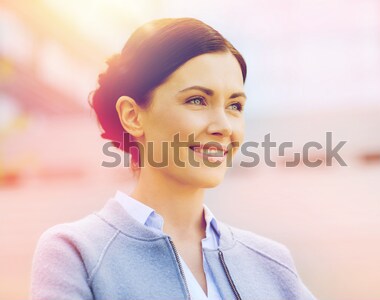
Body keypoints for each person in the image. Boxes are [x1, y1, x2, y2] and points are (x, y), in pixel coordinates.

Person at [30, 17, 316, 300]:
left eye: (235, 105)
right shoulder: (75, 252)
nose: (224, 126)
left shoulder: (271, 263)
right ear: (132, 116)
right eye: (197, 100)